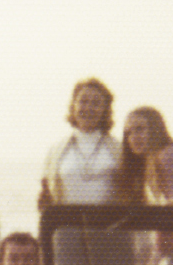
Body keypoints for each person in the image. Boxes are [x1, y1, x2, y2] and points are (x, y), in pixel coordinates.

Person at [39, 79, 121, 207]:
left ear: (105, 110)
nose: (88, 108)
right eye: (83, 101)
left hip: (109, 225)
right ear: (73, 106)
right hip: (66, 225)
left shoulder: (119, 150)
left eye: (96, 103)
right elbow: (46, 200)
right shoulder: (55, 151)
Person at [116, 106, 173, 205]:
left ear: (156, 128)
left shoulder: (169, 156)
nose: (133, 137)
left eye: (140, 129)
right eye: (129, 132)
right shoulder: (146, 163)